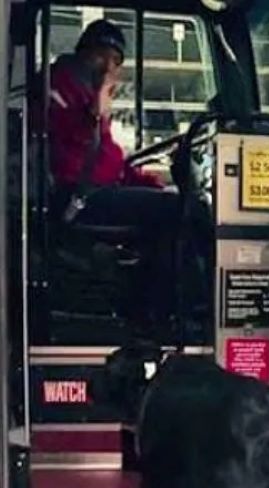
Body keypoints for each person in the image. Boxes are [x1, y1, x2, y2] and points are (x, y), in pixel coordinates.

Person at [39, 19, 198, 338]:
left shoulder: (86, 92)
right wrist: (96, 110)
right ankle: (167, 314)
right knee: (178, 212)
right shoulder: (56, 86)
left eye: (116, 61)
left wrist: (150, 183)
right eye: (104, 56)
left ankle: (144, 307)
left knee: (174, 204)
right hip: (76, 198)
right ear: (85, 52)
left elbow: (108, 158)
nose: (110, 66)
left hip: (97, 190)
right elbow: (67, 140)